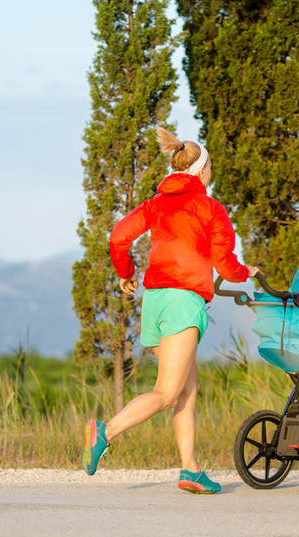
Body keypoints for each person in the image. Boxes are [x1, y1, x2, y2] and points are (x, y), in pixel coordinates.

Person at [82, 127, 258, 494]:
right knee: (166, 392)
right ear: (203, 172)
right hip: (182, 299)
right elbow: (225, 265)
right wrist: (246, 272)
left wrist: (126, 273)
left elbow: (118, 236)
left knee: (187, 389)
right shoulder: (210, 208)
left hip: (157, 299)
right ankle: (106, 431)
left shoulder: (156, 203)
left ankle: (190, 469)